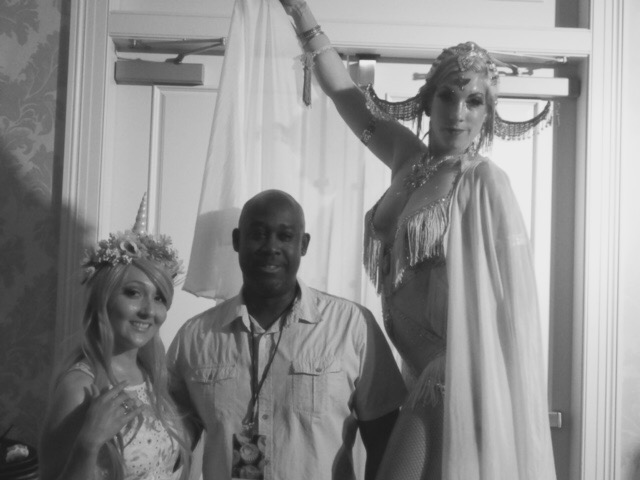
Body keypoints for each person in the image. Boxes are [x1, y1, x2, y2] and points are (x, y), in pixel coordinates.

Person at [279, 2, 558, 480]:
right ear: (427, 102)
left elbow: (515, 309)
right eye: (448, 96)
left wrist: (504, 409)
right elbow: (344, 94)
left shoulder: (483, 181)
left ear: (488, 115)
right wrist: (301, 13)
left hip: (454, 376)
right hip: (415, 372)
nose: (458, 113)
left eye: (474, 101)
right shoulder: (405, 157)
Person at [167, 189, 407, 480]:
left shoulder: (352, 326)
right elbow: (166, 443)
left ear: (303, 245)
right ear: (237, 240)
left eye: (285, 236)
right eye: (258, 234)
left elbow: (385, 441)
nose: (271, 247)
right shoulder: (196, 338)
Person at [39, 195, 191, 480]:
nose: (148, 310)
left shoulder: (154, 379)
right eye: (133, 293)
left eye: (159, 298)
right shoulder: (79, 388)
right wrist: (89, 442)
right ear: (104, 299)